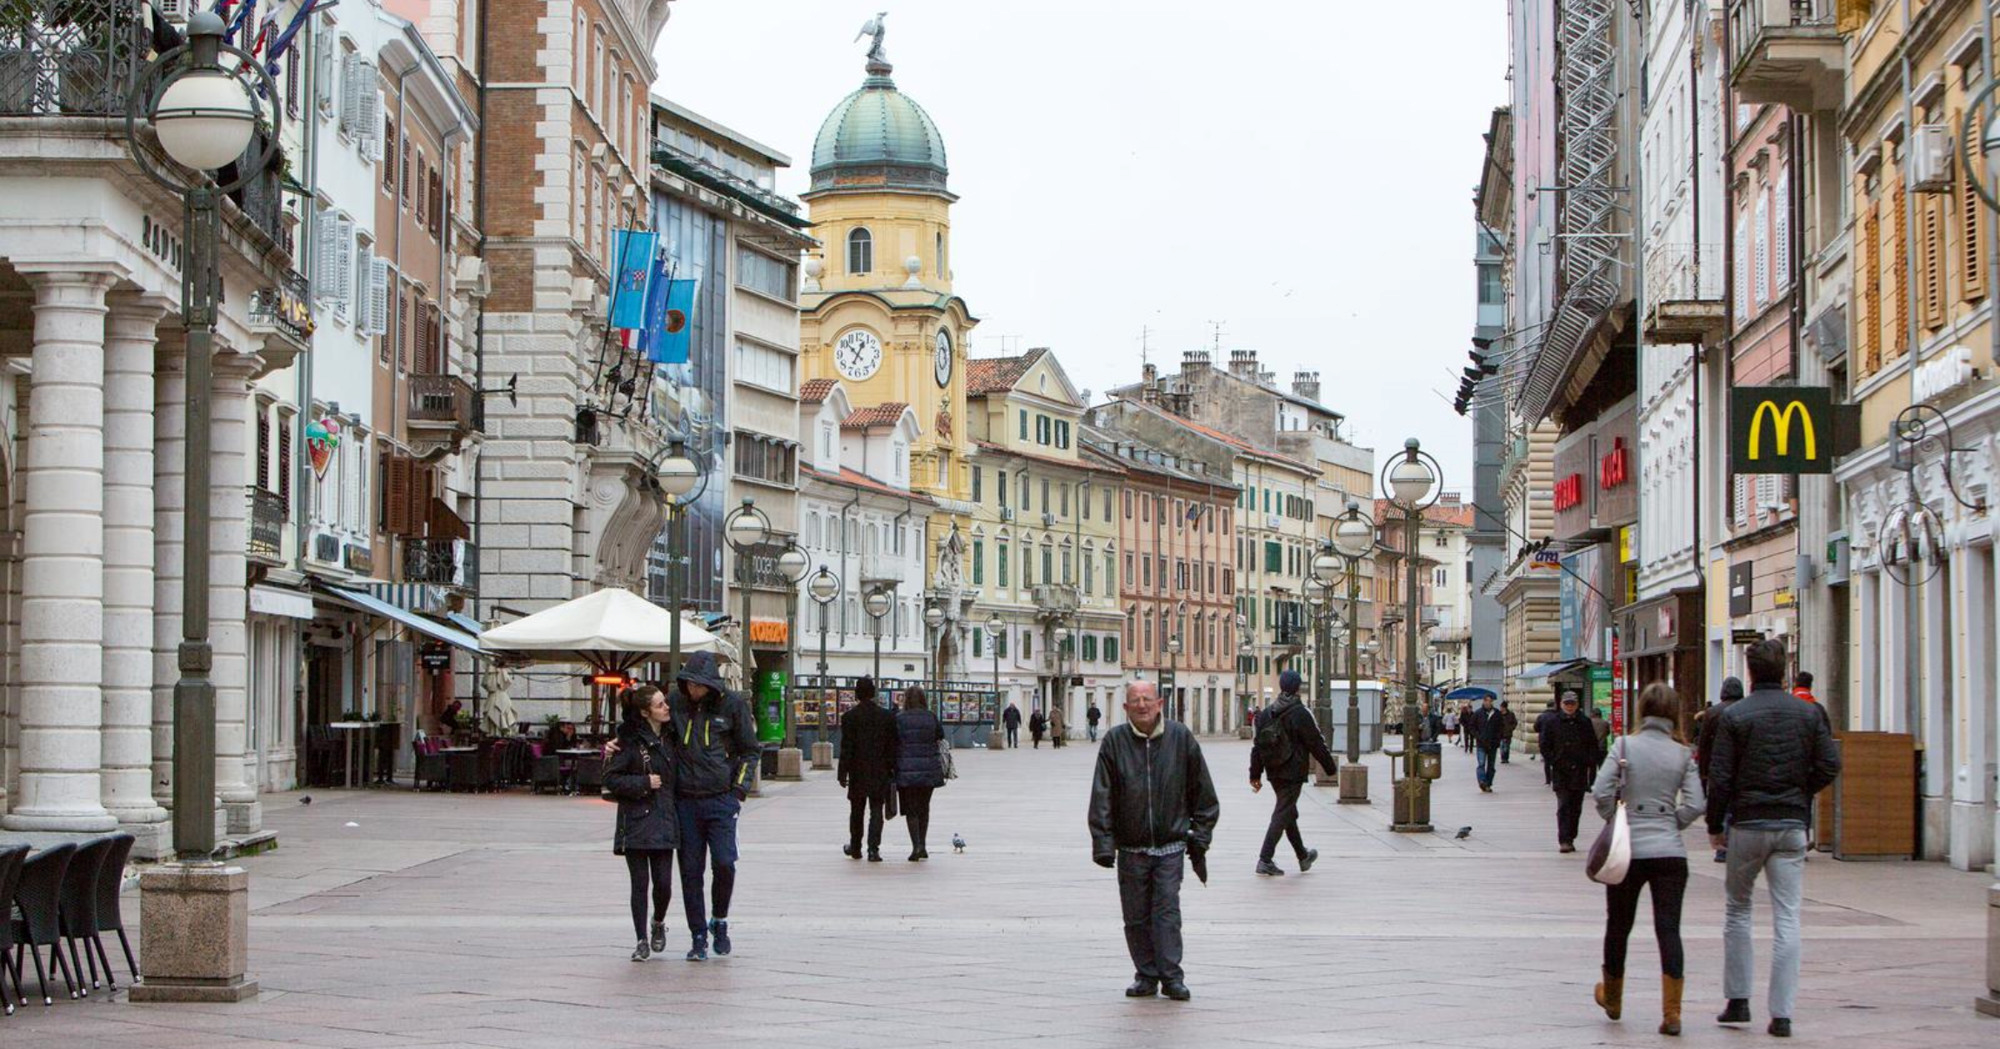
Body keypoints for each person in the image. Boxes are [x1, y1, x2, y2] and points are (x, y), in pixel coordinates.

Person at [1706, 639, 1840, 1039]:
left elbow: (1721, 777)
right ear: (1784, 670)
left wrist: (1715, 825)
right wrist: (1801, 793)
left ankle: (1738, 1000)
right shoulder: (1809, 713)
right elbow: (1830, 764)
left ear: (1750, 671)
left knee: (1738, 910)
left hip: (1747, 824)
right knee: (1787, 915)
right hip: (1790, 824)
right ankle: (1782, 1014)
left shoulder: (1737, 716)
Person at [1088, 680, 1219, 1002]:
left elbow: (1204, 793)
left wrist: (1199, 836)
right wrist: (1103, 842)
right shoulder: (1114, 742)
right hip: (1131, 847)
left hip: (1170, 845)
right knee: (1135, 916)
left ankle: (1172, 976)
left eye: (1148, 699)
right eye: (1135, 700)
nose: (1142, 705)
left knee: (1166, 912)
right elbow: (1101, 795)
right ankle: (1146, 974)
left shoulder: (1180, 738)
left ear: (1160, 703)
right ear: (1125, 707)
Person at [1590, 683, 1705, 1035]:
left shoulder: (1624, 746)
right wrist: (1673, 821)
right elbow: (1697, 803)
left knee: (1618, 925)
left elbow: (1600, 791)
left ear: (1642, 710)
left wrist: (1615, 818)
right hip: (1670, 851)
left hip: (1629, 852)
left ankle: (1613, 996)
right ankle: (1672, 1012)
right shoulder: (1682, 754)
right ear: (1673, 713)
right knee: (1668, 929)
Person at [605, 686, 679, 962]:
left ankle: (658, 921)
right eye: (661, 705)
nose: (667, 708)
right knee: (640, 884)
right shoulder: (629, 740)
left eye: (666, 703)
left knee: (663, 884)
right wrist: (643, 782)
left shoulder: (673, 736)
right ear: (646, 712)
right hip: (636, 819)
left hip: (665, 817)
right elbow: (612, 779)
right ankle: (641, 940)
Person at [1248, 669, 1338, 876]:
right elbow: (1316, 742)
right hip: (1293, 770)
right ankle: (1265, 858)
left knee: (1288, 812)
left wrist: (1255, 774)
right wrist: (1330, 768)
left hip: (1274, 770)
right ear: (1297, 688)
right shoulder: (1301, 713)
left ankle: (1302, 856)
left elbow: (1257, 746)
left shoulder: (1266, 713)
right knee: (1283, 812)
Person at [838, 677, 898, 863]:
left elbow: (846, 748)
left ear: (857, 693)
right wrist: (891, 768)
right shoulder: (886, 717)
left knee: (856, 810)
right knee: (876, 810)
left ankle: (855, 847)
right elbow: (892, 746)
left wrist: (842, 773)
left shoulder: (849, 718)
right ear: (873, 693)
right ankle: (874, 849)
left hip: (857, 771)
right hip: (880, 770)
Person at [1543, 691, 1603, 852]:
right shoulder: (1553, 722)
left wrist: (1589, 763)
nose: (1569, 706)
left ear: (1577, 705)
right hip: (1561, 771)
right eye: (1566, 703)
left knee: (1576, 806)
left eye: (1572, 704)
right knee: (1563, 805)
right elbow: (1544, 744)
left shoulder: (1584, 722)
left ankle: (1571, 835)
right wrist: (1553, 760)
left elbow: (1592, 745)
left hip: (1579, 770)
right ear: (1561, 704)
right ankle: (1564, 839)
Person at [892, 686, 947, 862]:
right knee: (924, 807)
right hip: (928, 769)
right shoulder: (930, 716)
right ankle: (922, 844)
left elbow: (894, 740)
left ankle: (915, 845)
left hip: (906, 769)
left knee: (911, 810)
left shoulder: (899, 718)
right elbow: (940, 735)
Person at [1696, 677, 1745, 864]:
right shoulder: (1746, 710)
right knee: (1738, 809)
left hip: (1717, 768)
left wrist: (1703, 772)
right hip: (1741, 770)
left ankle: (1722, 850)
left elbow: (1704, 745)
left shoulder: (1712, 713)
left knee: (1721, 807)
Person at [1467, 694, 1506, 792]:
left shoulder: (1497, 714)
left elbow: (1501, 727)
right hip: (1481, 743)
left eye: (1490, 701)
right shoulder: (1478, 713)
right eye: (1487, 701)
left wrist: (1498, 738)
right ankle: (1482, 781)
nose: (1489, 703)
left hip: (1493, 743)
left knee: (1491, 766)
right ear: (1483, 702)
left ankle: (1488, 784)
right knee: (1481, 764)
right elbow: (1471, 726)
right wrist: (1478, 736)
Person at [1534, 694, 1568, 784]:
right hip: (1557, 742)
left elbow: (1536, 728)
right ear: (1555, 706)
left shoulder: (1541, 716)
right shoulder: (1558, 716)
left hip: (1544, 741)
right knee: (1557, 760)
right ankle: (1557, 778)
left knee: (1547, 761)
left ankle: (1548, 779)